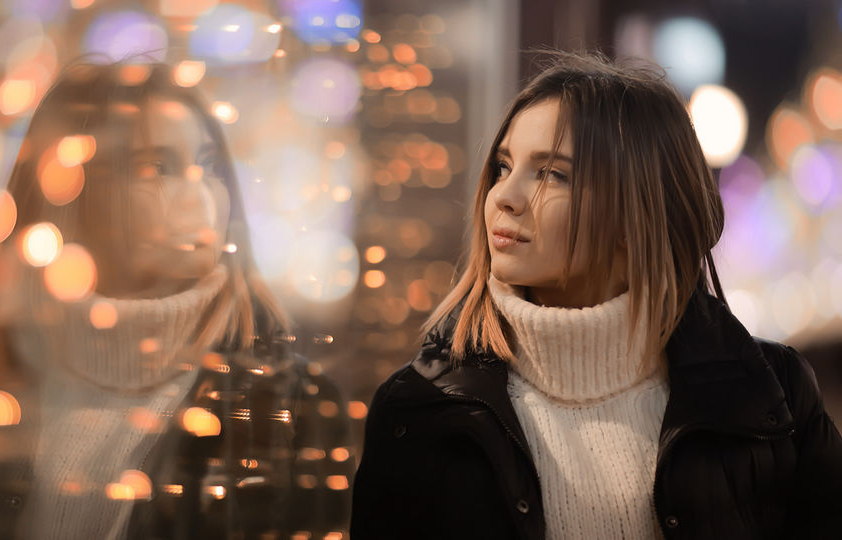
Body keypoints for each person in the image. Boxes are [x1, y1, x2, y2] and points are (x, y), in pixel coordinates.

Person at [351, 52, 842, 539]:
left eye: (551, 174)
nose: (503, 195)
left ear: (636, 215)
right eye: (504, 166)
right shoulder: (420, 409)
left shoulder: (772, 397)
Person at [0, 61, 353, 539]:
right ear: (73, 185)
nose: (199, 196)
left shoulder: (289, 408)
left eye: (211, 165)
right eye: (156, 167)